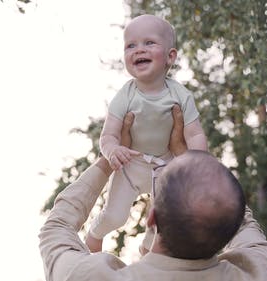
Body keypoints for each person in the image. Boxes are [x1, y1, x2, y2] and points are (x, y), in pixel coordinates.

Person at [39, 107, 267, 281]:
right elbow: (236, 216)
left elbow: (56, 228)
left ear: (152, 218)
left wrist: (109, 159)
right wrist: (188, 156)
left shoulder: (87, 277)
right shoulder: (262, 272)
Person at [86, 14, 208, 252]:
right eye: (130, 45)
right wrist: (113, 150)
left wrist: (199, 162)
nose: (138, 50)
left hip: (165, 165)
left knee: (164, 220)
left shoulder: (181, 95)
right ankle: (94, 236)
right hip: (130, 165)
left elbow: (194, 134)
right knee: (115, 216)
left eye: (149, 43)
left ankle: (147, 248)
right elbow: (108, 135)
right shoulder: (126, 95)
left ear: (170, 56)